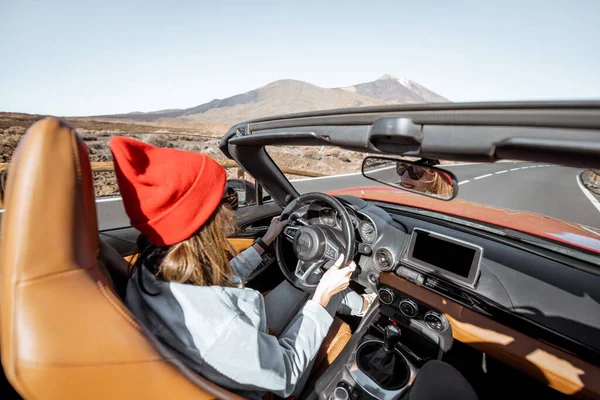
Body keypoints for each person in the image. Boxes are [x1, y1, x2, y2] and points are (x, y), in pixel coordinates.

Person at [109, 137, 375, 399]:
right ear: (202, 220)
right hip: (274, 381)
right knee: (323, 288)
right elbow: (287, 371)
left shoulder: (152, 269)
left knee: (303, 279)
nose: (231, 209)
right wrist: (322, 296)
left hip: (239, 349)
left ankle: (360, 304)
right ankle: (368, 308)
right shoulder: (220, 326)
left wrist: (264, 243)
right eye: (226, 200)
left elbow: (213, 282)